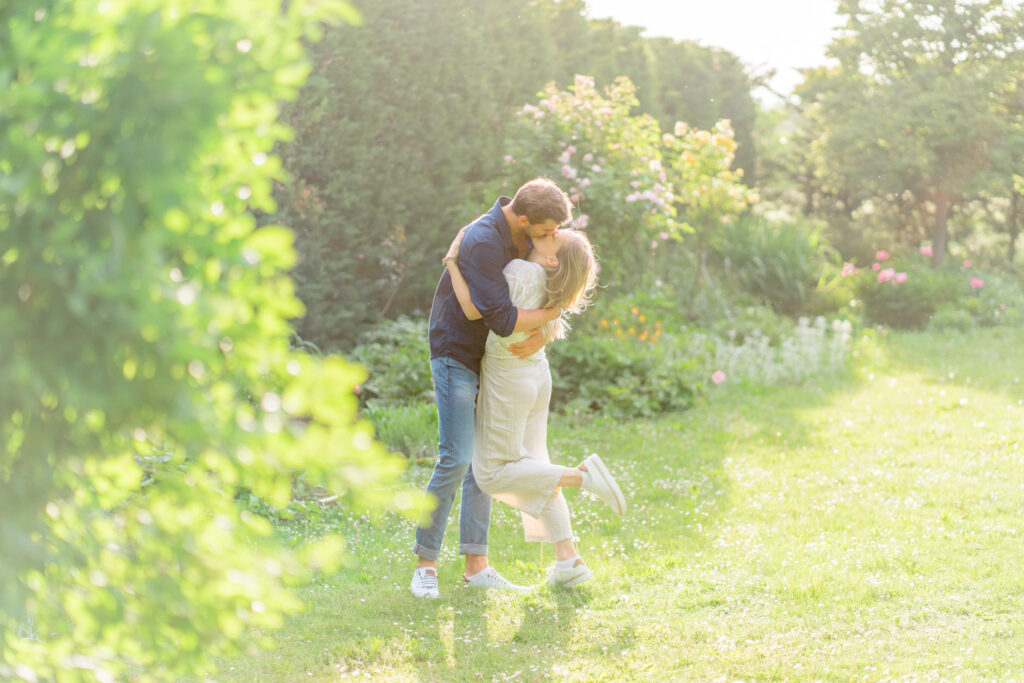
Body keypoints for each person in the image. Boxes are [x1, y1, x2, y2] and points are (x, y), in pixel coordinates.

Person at [410, 178, 572, 599]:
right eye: (546, 230)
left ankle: (475, 566)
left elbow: (534, 291)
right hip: (458, 354)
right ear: (523, 218)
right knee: (456, 457)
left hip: (495, 362)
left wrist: (551, 328)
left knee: (483, 464)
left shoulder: (523, 236)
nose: (550, 238)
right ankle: (426, 565)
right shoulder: (483, 240)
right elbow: (500, 318)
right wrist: (553, 313)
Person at [445, 227, 627, 588]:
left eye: (556, 236)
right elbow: (550, 324)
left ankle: (584, 477)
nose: (551, 231)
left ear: (553, 257)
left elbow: (472, 310)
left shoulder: (519, 272)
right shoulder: (550, 284)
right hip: (536, 376)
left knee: (492, 473)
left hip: (508, 380)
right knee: (537, 469)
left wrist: (452, 262)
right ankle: (568, 561)